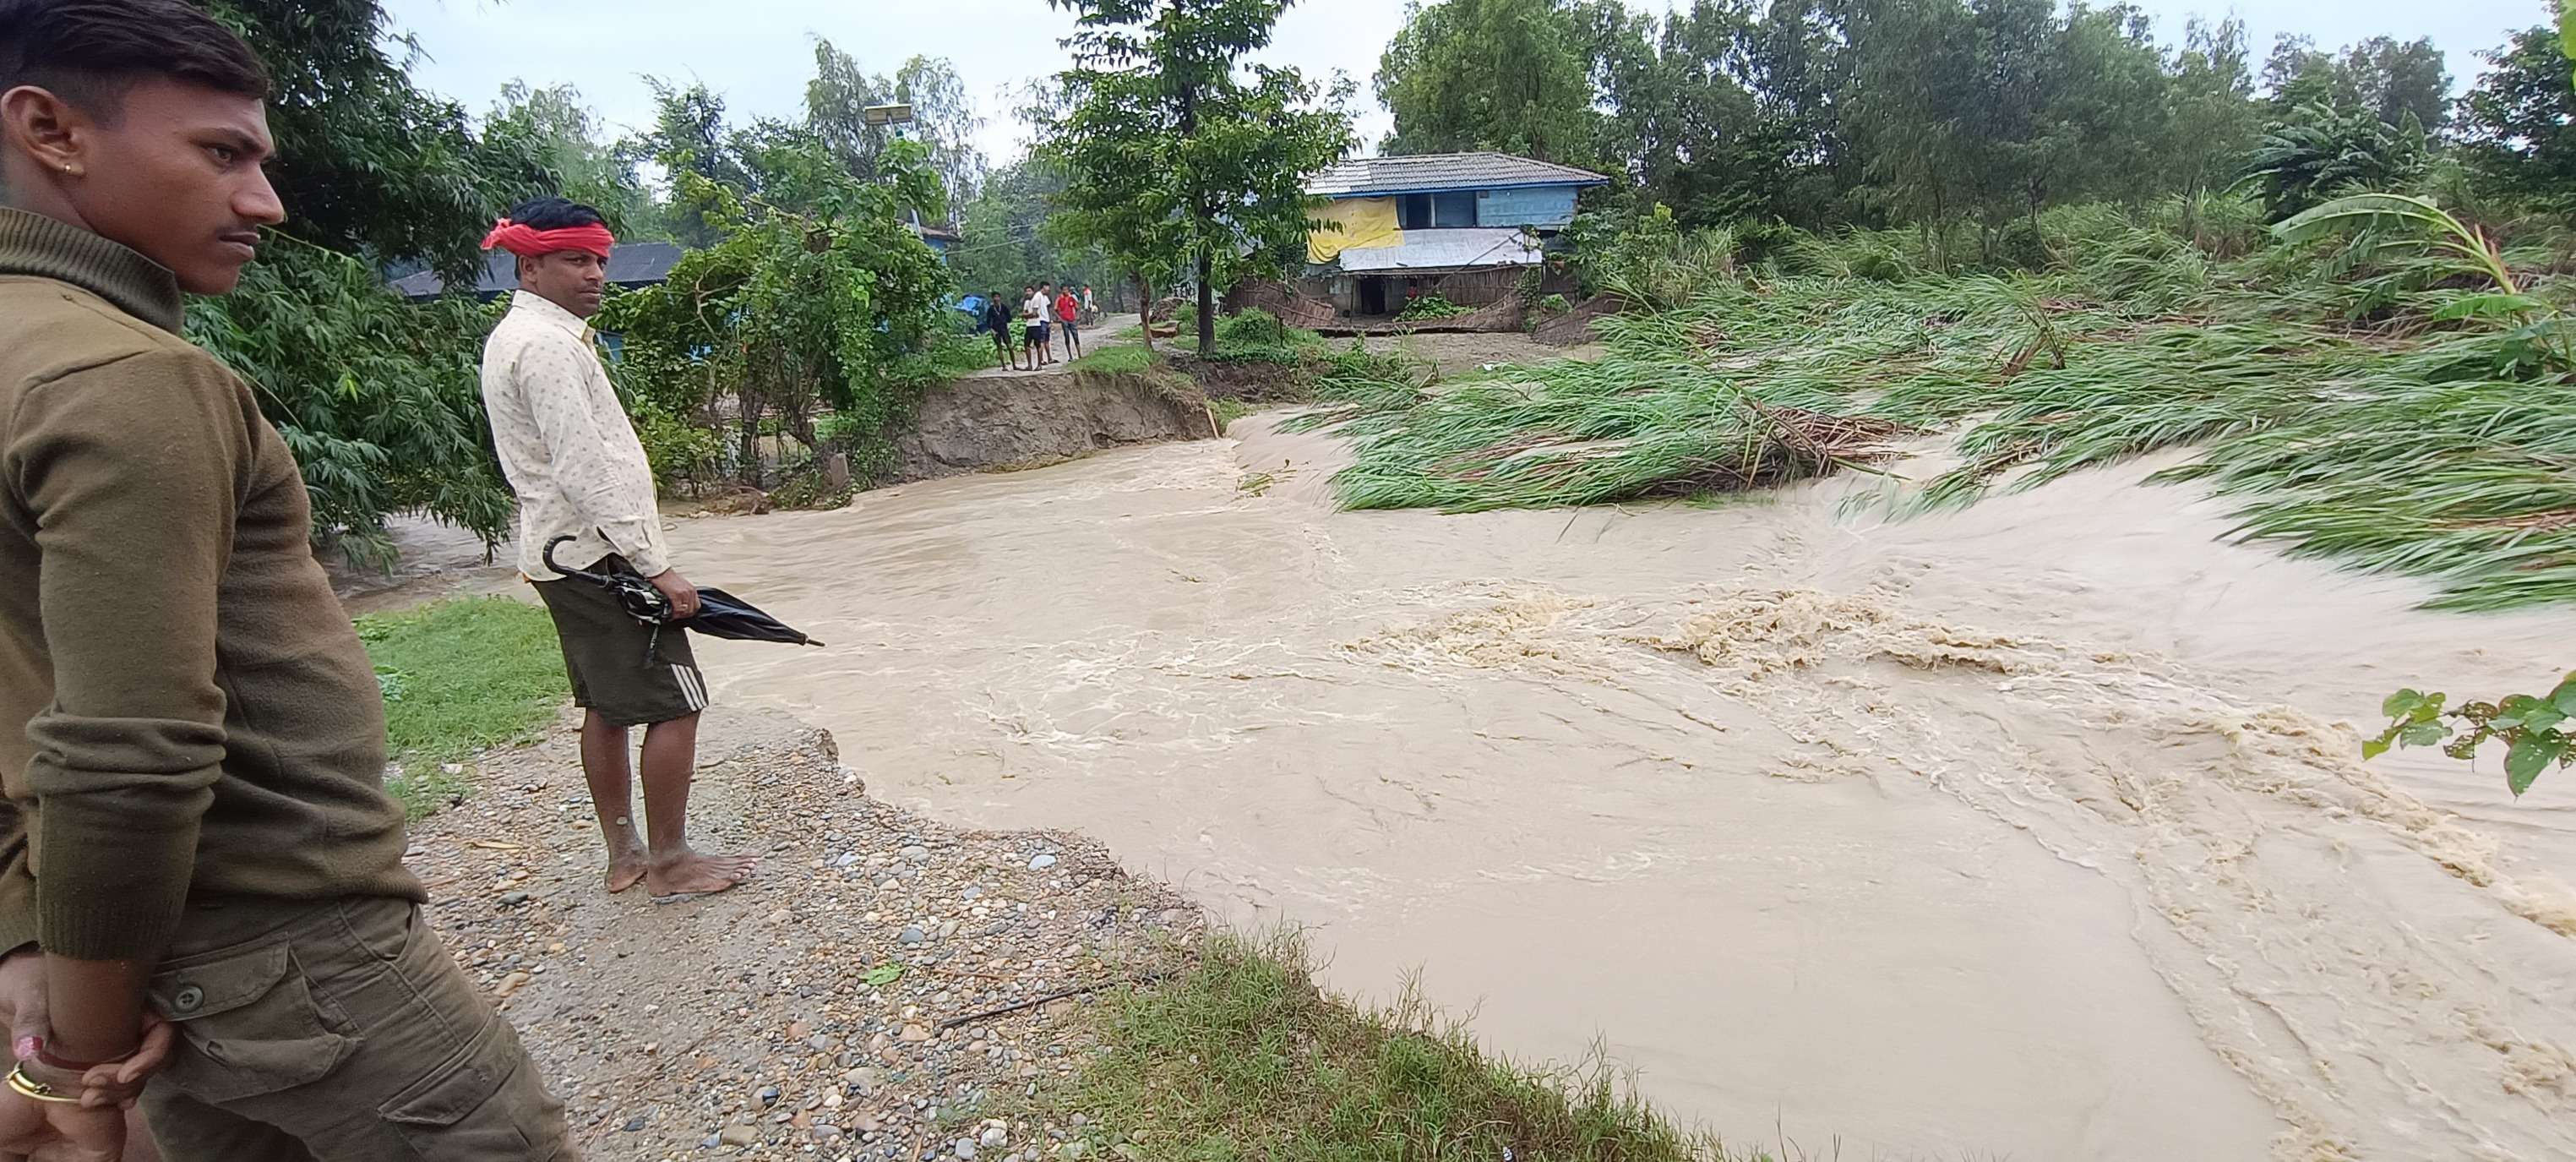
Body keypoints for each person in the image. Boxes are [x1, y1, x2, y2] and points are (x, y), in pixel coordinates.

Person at [0, 2, 580, 1158]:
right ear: (49, 129)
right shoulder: (125, 378)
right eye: (222, 154)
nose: (264, 200)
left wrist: (31, 934)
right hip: (290, 944)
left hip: (138, 943)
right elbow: (128, 746)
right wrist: (81, 1063)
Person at [478, 196, 757, 906]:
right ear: (529, 266)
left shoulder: (525, 336)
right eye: (576, 259)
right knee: (677, 701)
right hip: (598, 557)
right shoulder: (544, 348)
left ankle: (625, 852)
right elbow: (583, 468)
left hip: (560, 553)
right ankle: (669, 859)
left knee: (605, 707)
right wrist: (654, 564)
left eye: (599, 259)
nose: (596, 272)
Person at [983, 289, 1021, 371]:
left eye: (997, 297)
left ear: (1000, 298)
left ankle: (1014, 365)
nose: (996, 299)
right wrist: (991, 330)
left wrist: (1008, 325)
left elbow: (1009, 318)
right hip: (995, 330)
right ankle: (1004, 366)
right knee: (999, 347)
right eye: (994, 297)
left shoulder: (1004, 307)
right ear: (992, 299)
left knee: (1010, 347)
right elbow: (988, 321)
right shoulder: (990, 309)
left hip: (1004, 328)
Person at [1022, 282, 1053, 368]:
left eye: (1029, 291)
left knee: (1039, 344)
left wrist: (1026, 315)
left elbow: (1033, 314)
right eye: (1026, 291)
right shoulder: (1031, 300)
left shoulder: (1039, 298)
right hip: (1031, 324)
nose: (1028, 293)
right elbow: (1032, 314)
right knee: (1027, 345)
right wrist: (1028, 315)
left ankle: (1039, 364)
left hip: (1037, 324)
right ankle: (1030, 365)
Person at [1054, 283, 1083, 359]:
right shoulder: (1059, 299)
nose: (1065, 291)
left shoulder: (1072, 298)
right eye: (1064, 290)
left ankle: (1079, 354)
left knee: (1075, 336)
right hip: (1064, 320)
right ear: (1061, 291)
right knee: (1067, 337)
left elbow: (1077, 307)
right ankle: (1070, 356)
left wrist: (1077, 316)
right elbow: (1055, 309)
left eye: (1067, 290)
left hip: (1072, 319)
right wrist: (1059, 318)